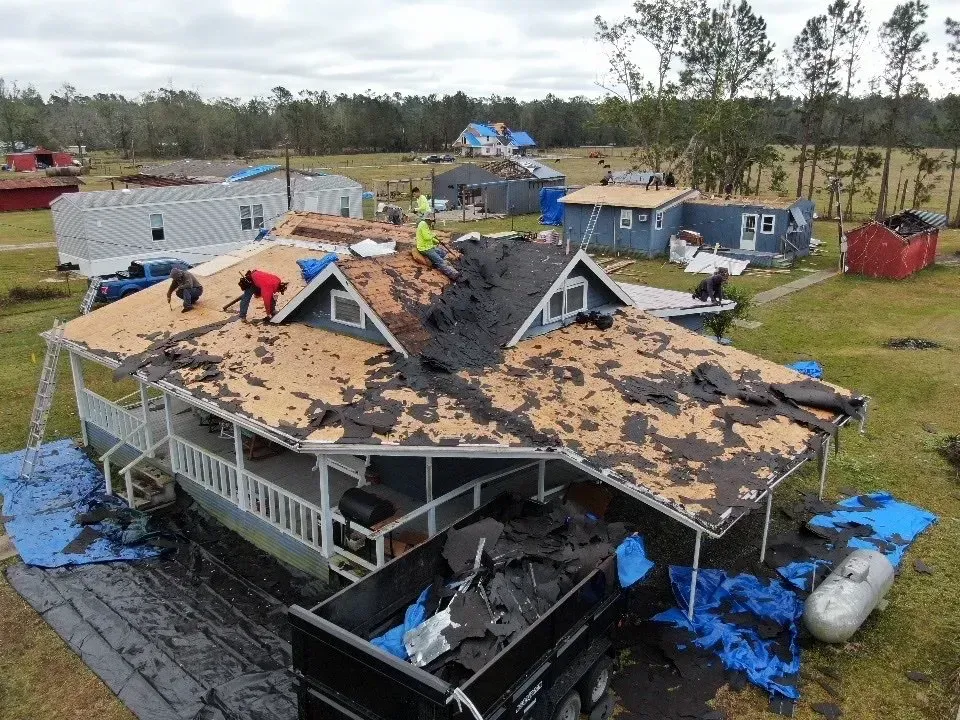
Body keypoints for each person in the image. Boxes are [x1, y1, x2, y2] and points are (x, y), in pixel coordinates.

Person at [416, 215, 459, 280]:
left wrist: (436, 241)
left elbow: (429, 236)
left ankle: (450, 265)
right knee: (439, 260)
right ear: (428, 220)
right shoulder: (423, 225)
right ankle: (453, 274)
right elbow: (427, 237)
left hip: (429, 246)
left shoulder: (426, 225)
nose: (432, 223)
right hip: (424, 248)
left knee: (443, 253)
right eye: (432, 221)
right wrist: (434, 234)